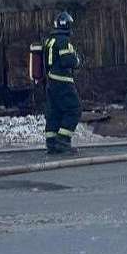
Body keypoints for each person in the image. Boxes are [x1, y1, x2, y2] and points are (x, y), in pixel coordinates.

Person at [43, 11, 82, 155]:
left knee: (55, 112)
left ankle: (51, 142)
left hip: (51, 82)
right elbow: (68, 61)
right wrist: (77, 60)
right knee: (74, 109)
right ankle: (63, 141)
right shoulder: (63, 41)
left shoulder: (49, 41)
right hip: (63, 82)